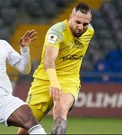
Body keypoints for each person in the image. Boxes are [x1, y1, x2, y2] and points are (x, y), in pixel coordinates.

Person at [18, 3, 94, 134]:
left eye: (85, 24)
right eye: (77, 22)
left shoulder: (90, 32)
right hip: (44, 80)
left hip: (69, 79)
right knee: (25, 129)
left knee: (60, 110)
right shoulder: (57, 32)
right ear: (70, 17)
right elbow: (49, 60)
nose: (81, 27)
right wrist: (54, 82)